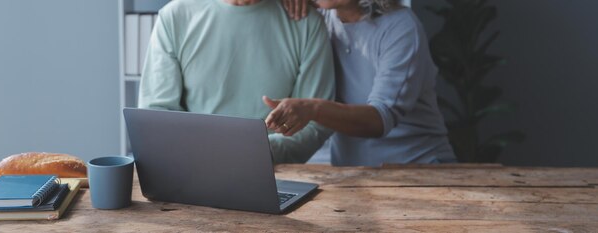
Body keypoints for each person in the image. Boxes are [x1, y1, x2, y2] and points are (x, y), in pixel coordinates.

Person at [138, 0, 336, 163]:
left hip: (274, 171)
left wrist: (259, 152)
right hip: (193, 167)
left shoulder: (305, 21)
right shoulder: (174, 17)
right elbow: (156, 114)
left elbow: (316, 122)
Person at [263, 0, 456, 165]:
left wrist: (312, 109)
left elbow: (379, 119)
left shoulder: (402, 27)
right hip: (353, 176)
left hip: (419, 169)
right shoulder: (320, 18)